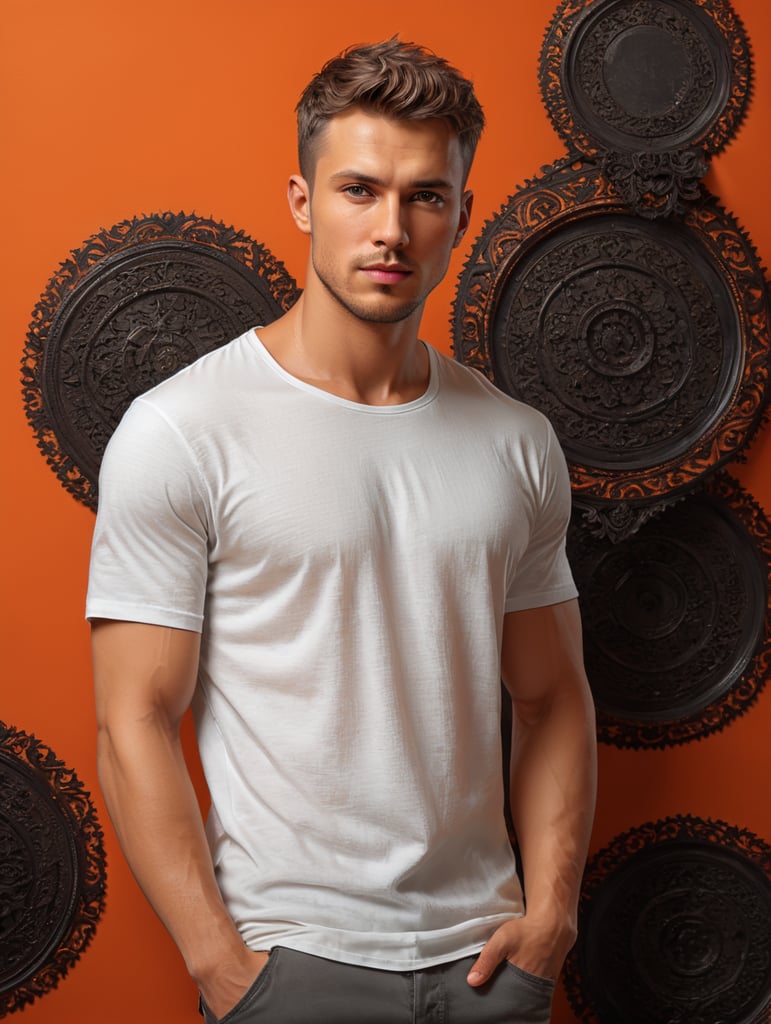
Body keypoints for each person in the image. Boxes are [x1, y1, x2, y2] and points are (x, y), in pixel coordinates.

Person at [87, 38, 597, 1024]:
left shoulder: (516, 441)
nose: (391, 230)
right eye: (359, 190)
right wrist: (222, 966)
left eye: (424, 197)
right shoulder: (182, 431)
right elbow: (132, 719)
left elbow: (552, 697)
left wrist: (552, 919)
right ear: (302, 201)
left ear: (462, 215)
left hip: (491, 966)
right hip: (292, 966)